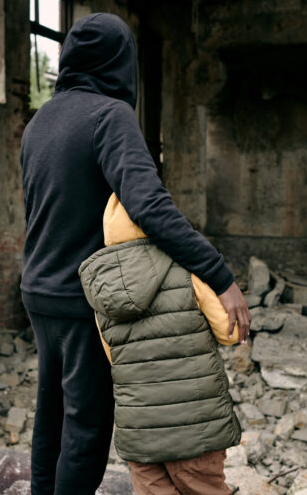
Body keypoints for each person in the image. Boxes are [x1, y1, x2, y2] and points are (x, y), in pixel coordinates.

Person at [19, 12, 251, 494]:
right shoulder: (109, 116)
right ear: (121, 63)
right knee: (86, 434)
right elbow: (151, 207)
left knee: (52, 424)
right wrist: (220, 277)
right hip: (86, 303)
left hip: (39, 291)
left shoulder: (40, 122)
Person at [79, 193, 244, 494]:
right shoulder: (186, 266)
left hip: (140, 436)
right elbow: (230, 333)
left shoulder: (99, 288)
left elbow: (113, 357)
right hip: (196, 432)